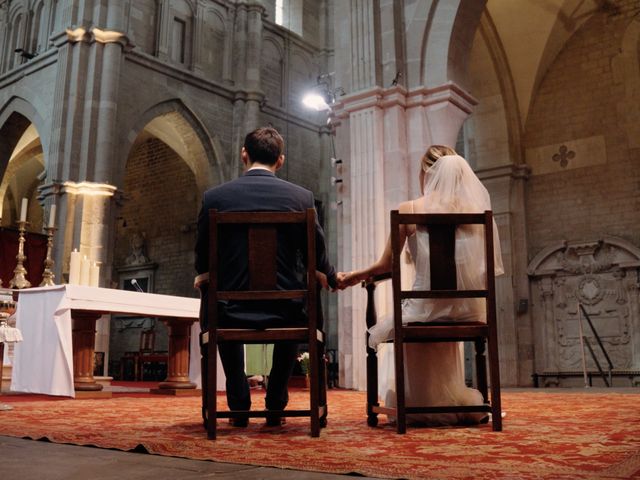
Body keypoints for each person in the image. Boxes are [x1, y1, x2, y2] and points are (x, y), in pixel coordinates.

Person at [338, 146, 504, 425]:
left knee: (406, 315)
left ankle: (417, 402)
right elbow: (482, 267)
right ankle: (447, 399)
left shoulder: (409, 210)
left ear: (426, 173)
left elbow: (385, 266)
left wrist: (355, 275)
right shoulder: (473, 211)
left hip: (423, 310)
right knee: (435, 311)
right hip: (465, 310)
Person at [194, 127, 337, 427]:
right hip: (287, 310)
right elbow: (317, 255)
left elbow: (202, 256)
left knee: (216, 300)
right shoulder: (301, 198)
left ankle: (238, 403)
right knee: (298, 302)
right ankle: (275, 401)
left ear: (244, 155)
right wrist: (332, 277)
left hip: (230, 309)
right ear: (280, 160)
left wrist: (206, 274)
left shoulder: (215, 197)